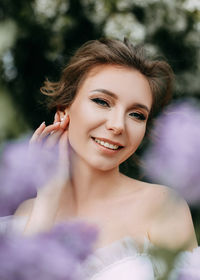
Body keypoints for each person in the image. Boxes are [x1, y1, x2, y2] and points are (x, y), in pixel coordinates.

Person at [4, 38, 199, 279]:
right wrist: (46, 201)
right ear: (64, 109)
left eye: (137, 115)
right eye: (102, 102)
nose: (118, 125)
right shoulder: (15, 216)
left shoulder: (162, 206)